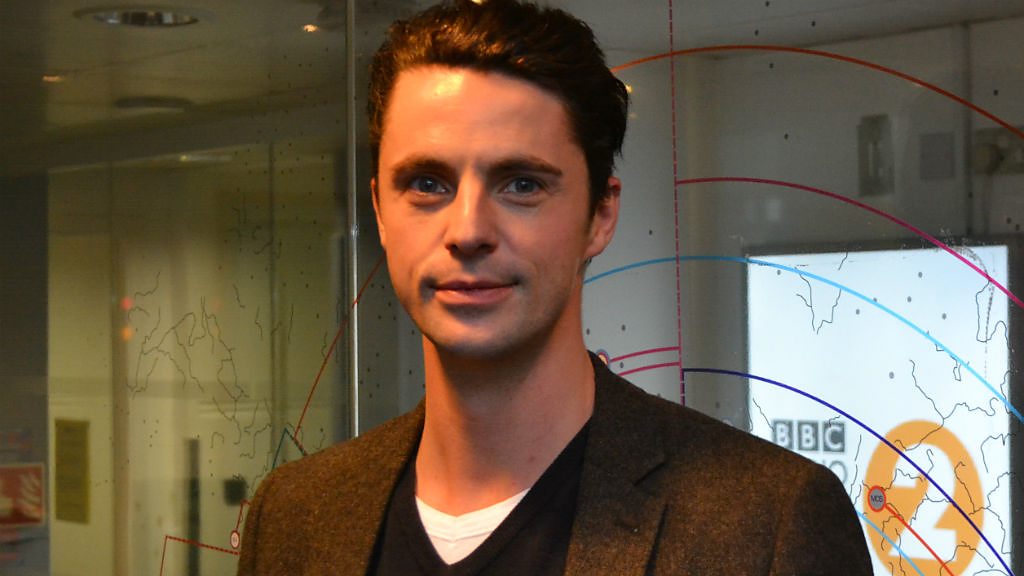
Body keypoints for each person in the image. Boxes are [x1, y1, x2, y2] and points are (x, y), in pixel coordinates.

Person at [237, 0, 873, 574]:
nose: (468, 230)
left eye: (521, 184)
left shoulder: (766, 524)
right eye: (427, 184)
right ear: (379, 210)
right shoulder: (295, 516)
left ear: (600, 215)